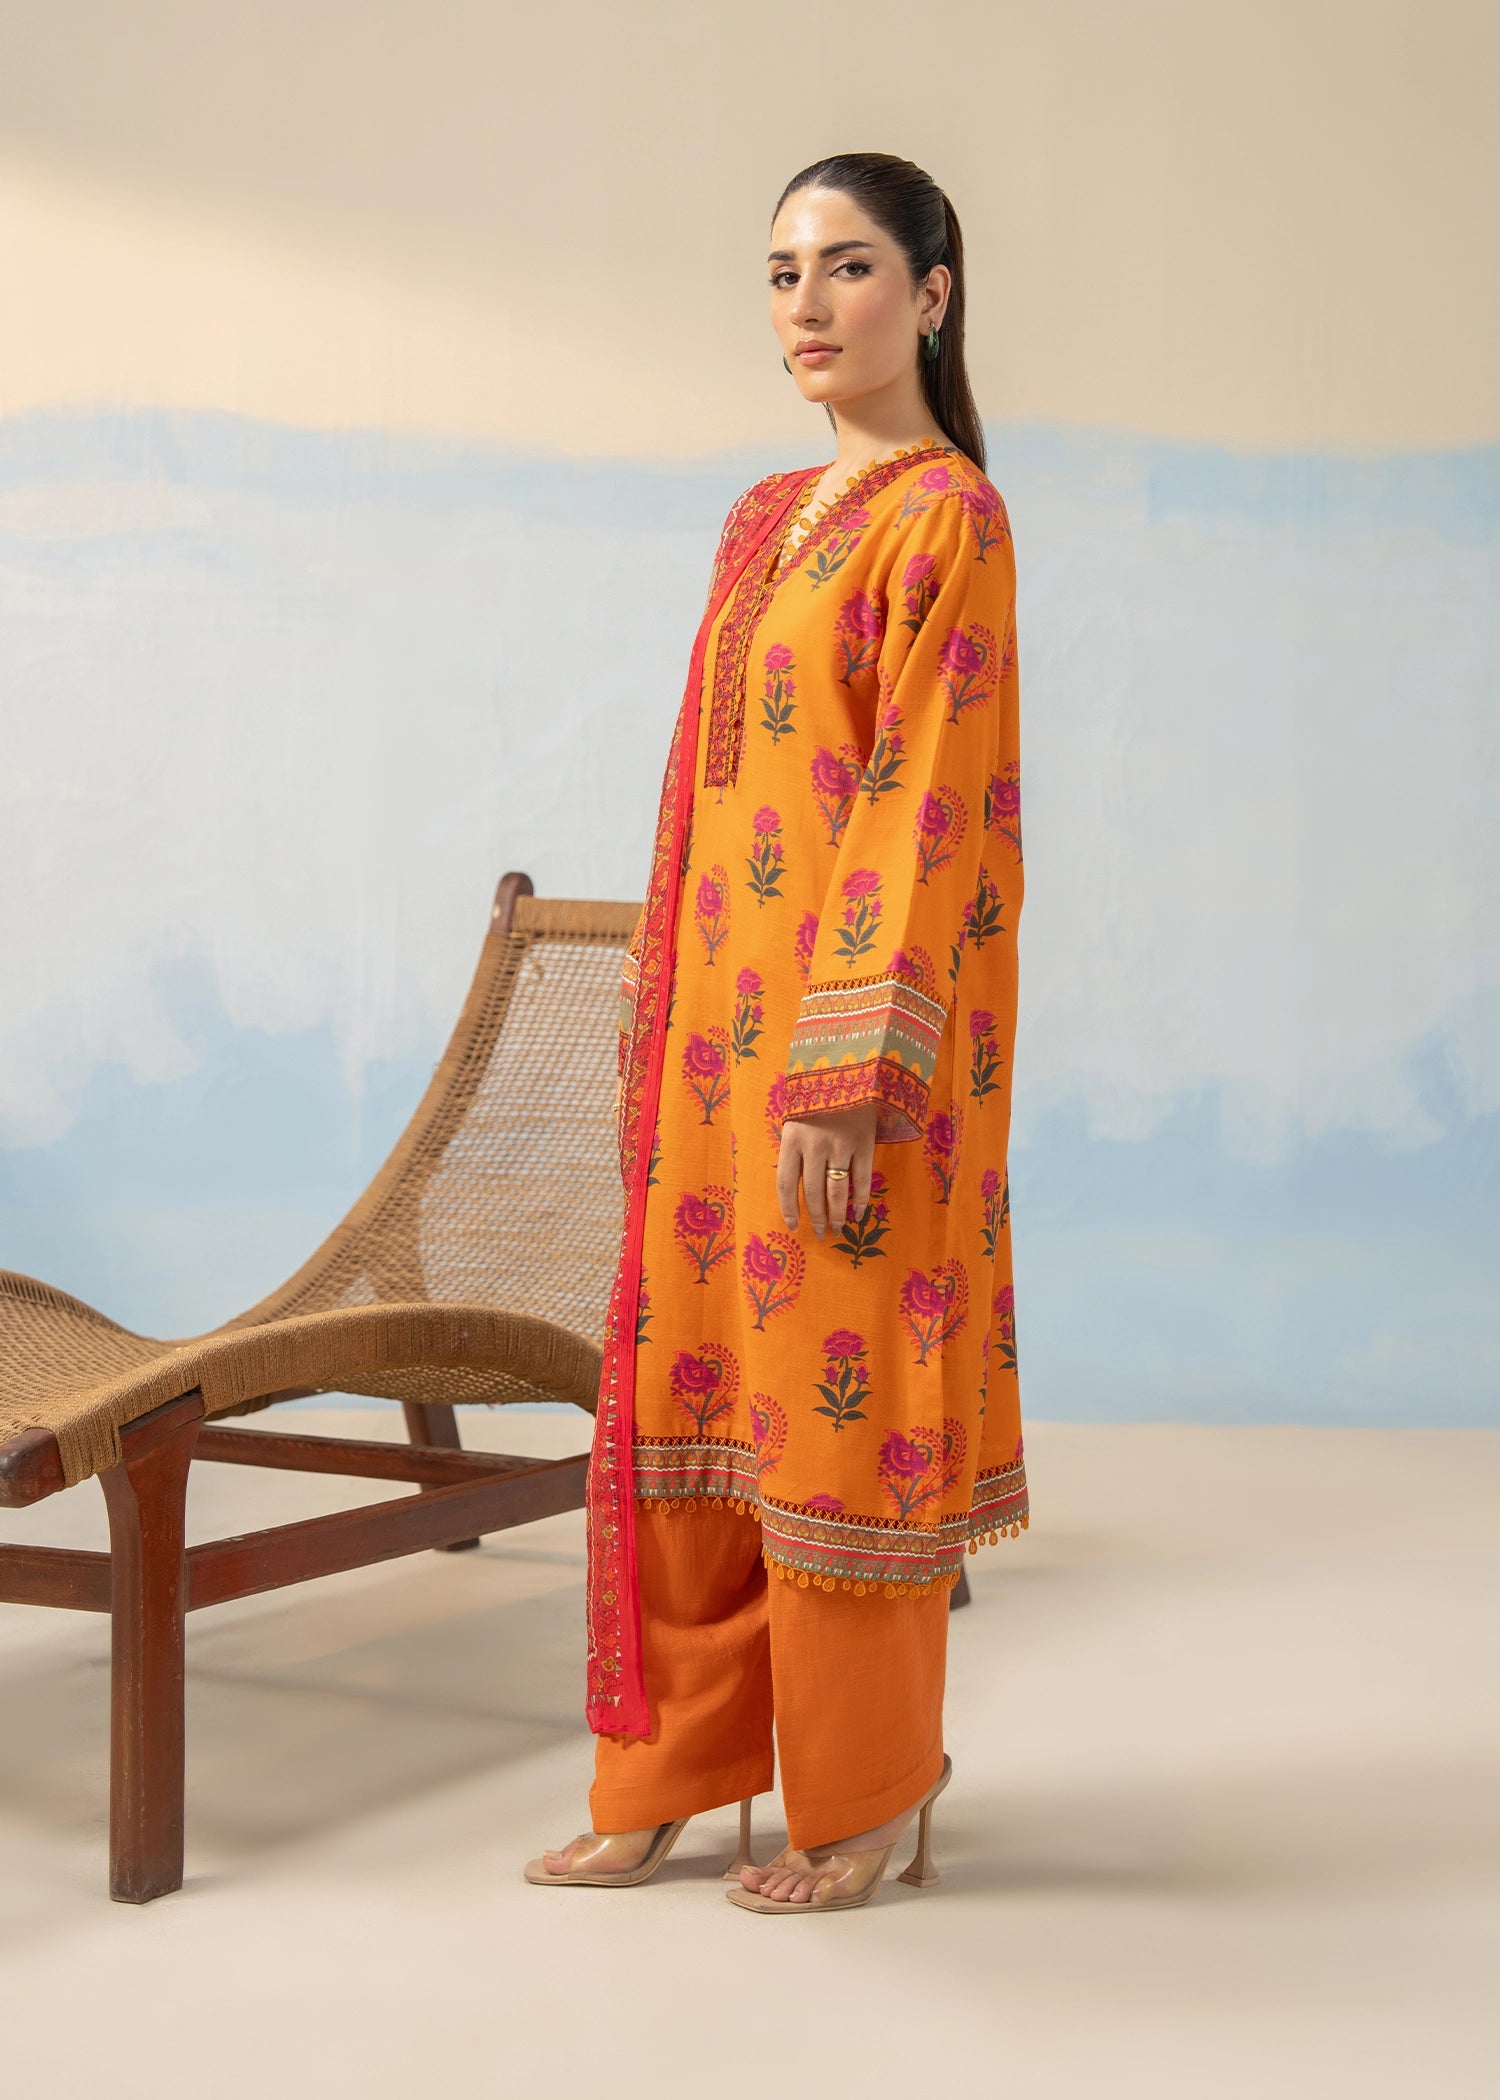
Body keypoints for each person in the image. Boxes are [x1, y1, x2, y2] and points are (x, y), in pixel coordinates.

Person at [526, 151, 1027, 1913]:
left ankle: (871, 1789)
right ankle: (669, 1771)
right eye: (780, 273)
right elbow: (709, 793)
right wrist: (667, 1025)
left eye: (849, 267)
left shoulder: (947, 517)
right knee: (692, 1390)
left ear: (933, 295)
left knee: (837, 1406)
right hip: (712, 1048)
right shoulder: (764, 516)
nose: (806, 306)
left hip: (849, 1065)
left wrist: (848, 1073)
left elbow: (922, 806)